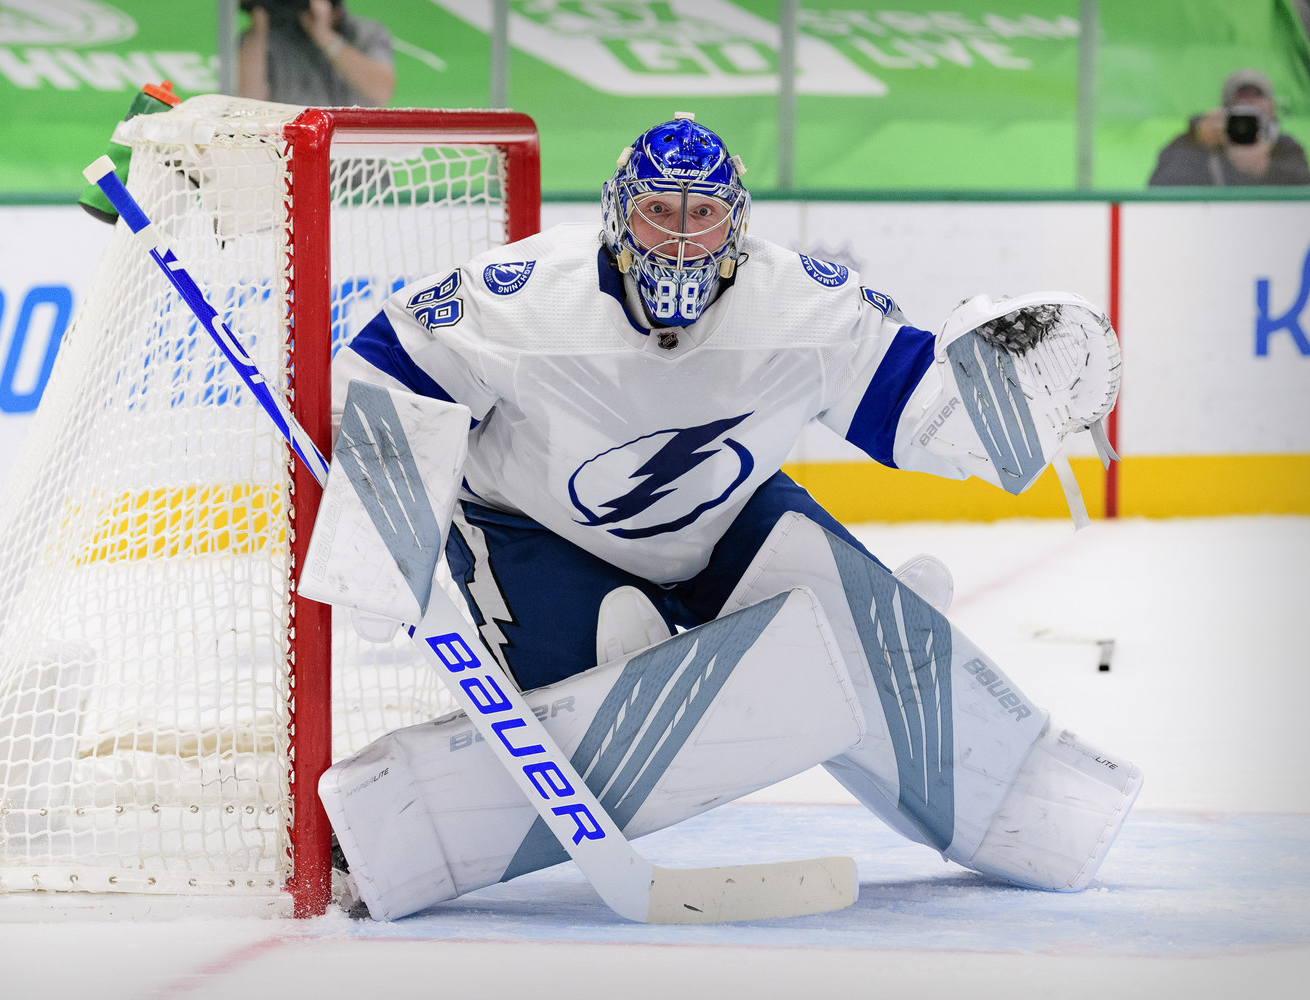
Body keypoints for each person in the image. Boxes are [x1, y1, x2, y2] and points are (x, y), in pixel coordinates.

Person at [319, 114, 1142, 921]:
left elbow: (906, 404)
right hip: (536, 530)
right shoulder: (527, 299)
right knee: (590, 713)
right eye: (659, 213)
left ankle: (1035, 809)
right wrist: (380, 538)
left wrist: (989, 408)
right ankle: (384, 832)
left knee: (867, 632)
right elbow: (385, 369)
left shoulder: (800, 306)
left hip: (726, 514)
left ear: (736, 225)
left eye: (704, 215)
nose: (681, 239)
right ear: (617, 217)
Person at [1149, 68, 1310, 186]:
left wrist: (1264, 168)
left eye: (1257, 97)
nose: (1249, 103)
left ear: (1271, 108)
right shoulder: (1195, 143)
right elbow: (1162, 188)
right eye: (1241, 100)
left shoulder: (1284, 147)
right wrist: (1200, 142)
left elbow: (1303, 189)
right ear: (1224, 111)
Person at [237, 0, 394, 107]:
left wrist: (325, 37)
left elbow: (381, 92)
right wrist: (259, 21)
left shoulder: (364, 33)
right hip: (288, 150)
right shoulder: (261, 39)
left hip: (354, 150)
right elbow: (247, 100)